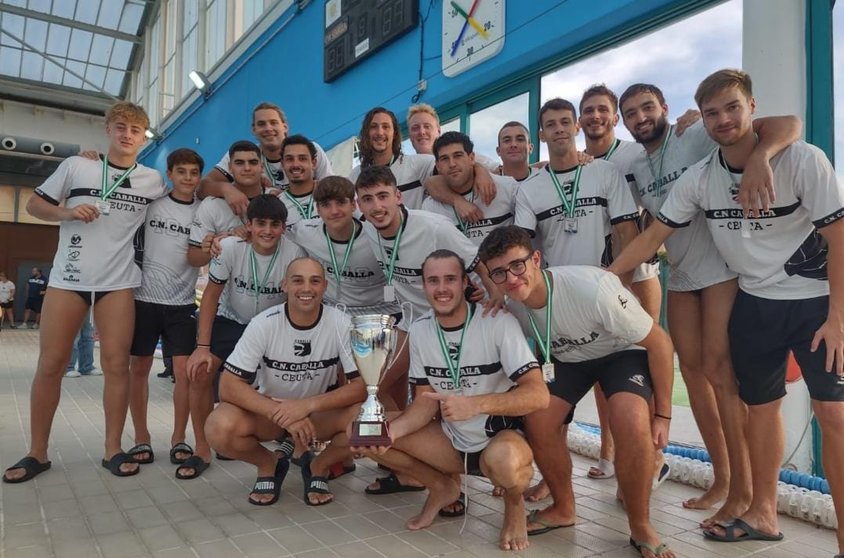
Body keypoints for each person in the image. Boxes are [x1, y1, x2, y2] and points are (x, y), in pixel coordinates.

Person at [611, 69, 844, 553]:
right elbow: (654, 237)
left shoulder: (802, 160)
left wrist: (839, 315)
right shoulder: (699, 178)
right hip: (756, 303)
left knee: (833, 415)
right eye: (713, 112)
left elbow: (840, 238)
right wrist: (607, 278)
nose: (722, 120)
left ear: (752, 108)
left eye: (732, 108)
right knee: (760, 411)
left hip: (815, 304)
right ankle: (762, 511)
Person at [478, 226, 676, 558]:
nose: (511, 279)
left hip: (621, 352)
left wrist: (664, 416)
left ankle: (641, 526)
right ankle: (563, 507)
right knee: (538, 419)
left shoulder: (591, 288)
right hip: (567, 360)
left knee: (629, 418)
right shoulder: (511, 306)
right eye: (499, 273)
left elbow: (659, 342)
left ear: (536, 259)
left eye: (517, 265)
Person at [4, 101, 166, 483]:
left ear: (144, 138)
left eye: (136, 130)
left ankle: (113, 448)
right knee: (50, 364)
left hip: (118, 283)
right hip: (68, 280)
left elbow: (179, 205)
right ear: (109, 129)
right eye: (121, 127)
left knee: (115, 366)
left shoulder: (152, 180)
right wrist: (67, 212)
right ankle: (37, 453)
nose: (128, 134)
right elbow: (34, 203)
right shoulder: (78, 165)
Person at [352, 249, 549, 551]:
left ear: (464, 282)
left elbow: (538, 394)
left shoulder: (497, 322)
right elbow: (423, 403)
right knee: (365, 431)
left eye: (449, 279)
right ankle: (442, 488)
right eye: (433, 281)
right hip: (450, 443)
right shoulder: (421, 330)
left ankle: (514, 506)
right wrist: (389, 435)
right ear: (423, 286)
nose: (442, 288)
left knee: (506, 462)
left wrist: (476, 404)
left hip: (498, 440)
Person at [204, 257, 363, 506]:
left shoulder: (340, 322)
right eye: (298, 281)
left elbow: (362, 386)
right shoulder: (263, 324)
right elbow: (228, 385)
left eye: (315, 281)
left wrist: (306, 406)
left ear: (325, 286)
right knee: (218, 426)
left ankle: (319, 466)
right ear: (284, 285)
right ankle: (269, 464)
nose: (307, 289)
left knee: (370, 423)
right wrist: (282, 412)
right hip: (272, 416)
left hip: (319, 417)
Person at [186, 195, 305, 473]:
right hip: (232, 321)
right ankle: (202, 448)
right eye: (260, 223)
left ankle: (290, 438)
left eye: (274, 224)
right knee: (200, 372)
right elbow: (211, 297)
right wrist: (202, 346)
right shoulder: (229, 247)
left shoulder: (295, 253)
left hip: (273, 327)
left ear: (284, 228)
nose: (267, 231)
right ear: (248, 225)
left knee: (295, 375)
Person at [127, 148, 204, 476]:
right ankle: (142, 437)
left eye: (193, 172)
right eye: (181, 171)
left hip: (182, 303)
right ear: (169, 174)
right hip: (143, 299)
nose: (188, 178)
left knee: (184, 374)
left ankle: (178, 438)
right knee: (139, 368)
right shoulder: (151, 203)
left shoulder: (204, 212)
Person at [515, 98, 640, 275]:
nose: (559, 129)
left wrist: (621, 284)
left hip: (602, 285)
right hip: (557, 287)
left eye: (565, 122)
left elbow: (627, 233)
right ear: (542, 136)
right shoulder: (529, 189)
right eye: (551, 125)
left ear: (577, 127)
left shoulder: (607, 172)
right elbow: (521, 246)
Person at [285, 176, 398, 317]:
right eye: (326, 205)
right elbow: (273, 234)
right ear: (318, 210)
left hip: (381, 310)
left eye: (340, 203)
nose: (334, 211)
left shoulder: (377, 235)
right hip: (333, 311)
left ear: (353, 205)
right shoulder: (304, 231)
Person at [199, 102, 333, 216]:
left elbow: (331, 188)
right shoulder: (245, 153)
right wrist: (226, 189)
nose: (268, 128)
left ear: (285, 127)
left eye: (273, 123)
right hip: (263, 223)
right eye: (261, 124)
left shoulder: (309, 149)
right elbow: (201, 188)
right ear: (253, 130)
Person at [422, 131, 518, 244]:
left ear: (471, 158)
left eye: (458, 156)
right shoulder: (430, 207)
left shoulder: (507, 187)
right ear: (438, 166)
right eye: (444, 159)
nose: (452, 164)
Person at [188, 140, 265, 268]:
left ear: (261, 167)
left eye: (253, 162)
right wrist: (215, 246)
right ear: (229, 167)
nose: (247, 168)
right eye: (239, 163)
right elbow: (194, 258)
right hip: (226, 285)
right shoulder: (211, 205)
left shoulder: (275, 199)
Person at [278, 135, 318, 231]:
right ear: (283, 164)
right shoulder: (276, 205)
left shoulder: (332, 194)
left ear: (313, 163)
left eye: (302, 158)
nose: (295, 164)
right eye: (289, 159)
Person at [65, 312, 98, 377]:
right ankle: (68, 368)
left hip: (91, 303)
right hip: (73, 303)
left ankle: (86, 366)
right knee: (74, 333)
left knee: (88, 333)